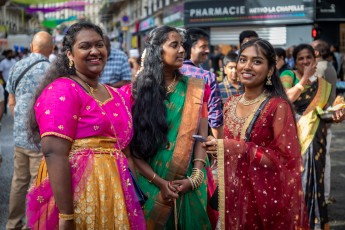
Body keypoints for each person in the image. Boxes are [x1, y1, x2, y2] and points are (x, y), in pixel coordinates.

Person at [26, 21, 145, 229]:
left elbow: (126, 153)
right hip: (78, 196)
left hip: (115, 194)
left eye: (99, 45)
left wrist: (133, 200)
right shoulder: (62, 91)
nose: (95, 51)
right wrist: (66, 216)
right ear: (70, 55)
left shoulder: (115, 94)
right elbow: (54, 153)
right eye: (85, 46)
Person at [205, 38, 309, 229]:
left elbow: (286, 160)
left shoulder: (277, 107)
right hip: (232, 196)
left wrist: (235, 147)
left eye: (257, 61)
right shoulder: (231, 103)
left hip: (263, 200)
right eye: (243, 60)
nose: (247, 66)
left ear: (270, 70)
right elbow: (230, 150)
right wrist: (216, 148)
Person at [128, 25, 211, 229]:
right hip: (149, 184)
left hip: (189, 179)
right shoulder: (134, 93)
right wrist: (160, 183)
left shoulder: (196, 88)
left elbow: (202, 137)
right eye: (174, 45)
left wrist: (195, 178)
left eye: (182, 45)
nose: (182, 50)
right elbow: (133, 148)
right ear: (157, 51)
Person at [279, 43, 345, 229]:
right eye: (301, 58)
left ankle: (315, 223)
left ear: (314, 59)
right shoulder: (288, 75)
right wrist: (305, 78)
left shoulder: (321, 82)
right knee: (297, 181)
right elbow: (284, 98)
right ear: (295, 61)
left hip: (317, 137)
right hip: (294, 137)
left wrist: (337, 115)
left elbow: (323, 111)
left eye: (308, 57)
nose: (305, 61)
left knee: (317, 180)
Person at [4, 31, 53, 230]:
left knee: (18, 182)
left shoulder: (17, 66)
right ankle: (33, 225)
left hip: (19, 138)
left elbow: (11, 101)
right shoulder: (51, 71)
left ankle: (13, 224)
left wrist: (21, 126)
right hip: (39, 139)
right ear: (51, 49)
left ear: (32, 46)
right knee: (38, 185)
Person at [179, 27, 223, 139]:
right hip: (199, 141)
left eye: (207, 47)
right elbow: (215, 116)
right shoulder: (207, 76)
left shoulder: (170, 72)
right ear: (190, 49)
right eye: (203, 47)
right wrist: (218, 148)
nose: (208, 50)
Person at [0, 49, 16, 114]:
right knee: (5, 96)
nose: (11, 54)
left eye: (11, 53)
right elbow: (0, 73)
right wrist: (3, 81)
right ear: (7, 54)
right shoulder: (3, 62)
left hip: (13, 82)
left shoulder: (14, 61)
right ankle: (4, 110)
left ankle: (14, 109)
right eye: (10, 53)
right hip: (5, 82)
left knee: (13, 96)